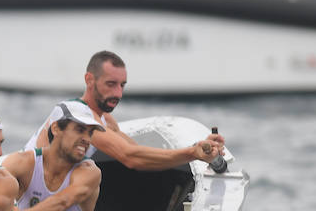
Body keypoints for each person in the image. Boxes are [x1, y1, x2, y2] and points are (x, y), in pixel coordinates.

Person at [22, 50, 225, 170]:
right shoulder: (81, 119)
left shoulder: (107, 121)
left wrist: (201, 148)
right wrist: (192, 153)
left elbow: (145, 155)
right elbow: (131, 157)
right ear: (89, 80)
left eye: (122, 85)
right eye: (111, 84)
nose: (118, 94)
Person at [2, 100, 104, 211]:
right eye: (80, 130)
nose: (87, 139)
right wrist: (8, 206)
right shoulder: (24, 162)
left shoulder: (89, 171)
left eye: (90, 133)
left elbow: (62, 201)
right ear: (56, 128)